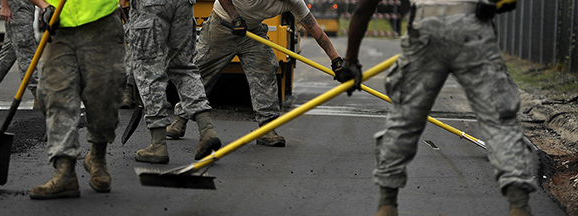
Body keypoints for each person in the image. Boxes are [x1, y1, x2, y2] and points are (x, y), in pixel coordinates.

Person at [334, 0, 535, 215]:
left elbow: (364, 8)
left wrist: (351, 61)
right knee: (499, 119)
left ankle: (387, 204)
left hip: (424, 26)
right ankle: (519, 205)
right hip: (472, 24)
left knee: (404, 119)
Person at [167, 0, 343, 147]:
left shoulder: (294, 1)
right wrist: (235, 17)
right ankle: (180, 120)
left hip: (251, 31)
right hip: (221, 26)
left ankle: (267, 128)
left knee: (265, 69)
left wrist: (336, 61)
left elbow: (314, 28)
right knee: (201, 74)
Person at [27, 0, 126, 199]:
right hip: (59, 26)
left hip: (102, 23)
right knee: (57, 95)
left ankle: (97, 157)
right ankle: (65, 172)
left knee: (104, 95)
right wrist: (44, 6)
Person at [126, 0, 222, 164]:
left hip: (151, 4)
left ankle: (158, 144)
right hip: (183, 3)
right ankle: (207, 130)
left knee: (148, 69)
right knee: (183, 67)